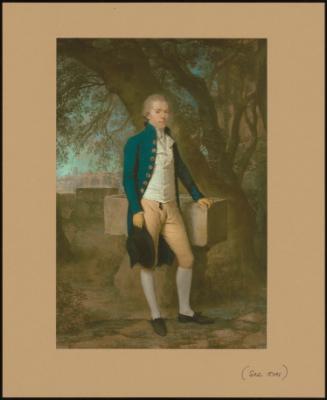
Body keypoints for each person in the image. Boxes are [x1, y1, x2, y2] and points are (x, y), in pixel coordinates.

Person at [123, 94, 214, 336]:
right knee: (147, 262)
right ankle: (155, 315)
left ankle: (185, 311)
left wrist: (197, 195)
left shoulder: (170, 141)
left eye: (165, 111)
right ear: (147, 115)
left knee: (187, 259)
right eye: (157, 111)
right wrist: (136, 209)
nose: (163, 115)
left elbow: (182, 170)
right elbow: (128, 178)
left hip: (171, 207)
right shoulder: (135, 142)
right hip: (148, 206)